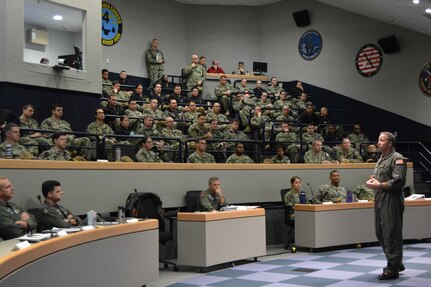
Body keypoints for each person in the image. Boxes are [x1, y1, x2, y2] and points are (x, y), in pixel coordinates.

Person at [366, 132, 407, 280]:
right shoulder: (381, 159)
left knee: (391, 232)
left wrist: (380, 185)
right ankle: (397, 261)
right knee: (380, 231)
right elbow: (382, 177)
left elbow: (398, 181)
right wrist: (373, 181)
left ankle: (392, 268)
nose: (379, 143)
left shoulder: (397, 159)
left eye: (382, 140)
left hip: (392, 198)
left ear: (390, 143)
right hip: (380, 197)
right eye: (378, 140)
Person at [283, 176, 301, 246]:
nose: (298, 184)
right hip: (292, 215)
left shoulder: (301, 193)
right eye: (296, 183)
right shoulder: (288, 195)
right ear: (292, 184)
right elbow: (290, 207)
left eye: (299, 182)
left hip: (302, 213)